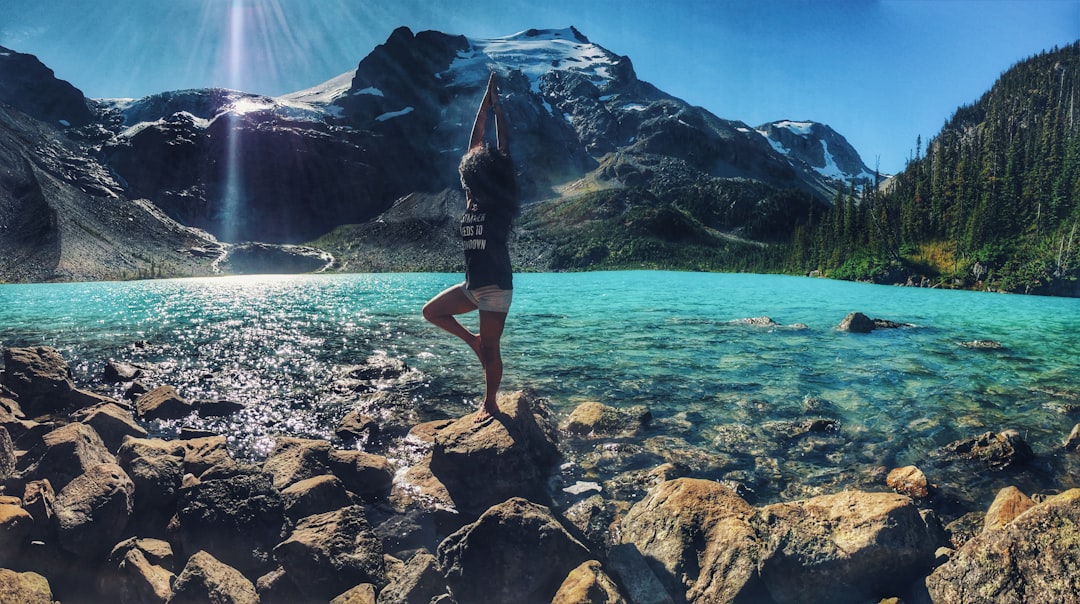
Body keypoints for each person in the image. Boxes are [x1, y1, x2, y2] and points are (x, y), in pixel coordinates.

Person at [423, 72, 518, 423]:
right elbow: (473, 144)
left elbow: (503, 149)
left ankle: (490, 403)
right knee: (431, 312)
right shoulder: (470, 202)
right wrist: (484, 101)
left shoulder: (501, 205)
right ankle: (472, 339)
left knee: (492, 349)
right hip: (472, 286)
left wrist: (499, 110)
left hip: (495, 289)